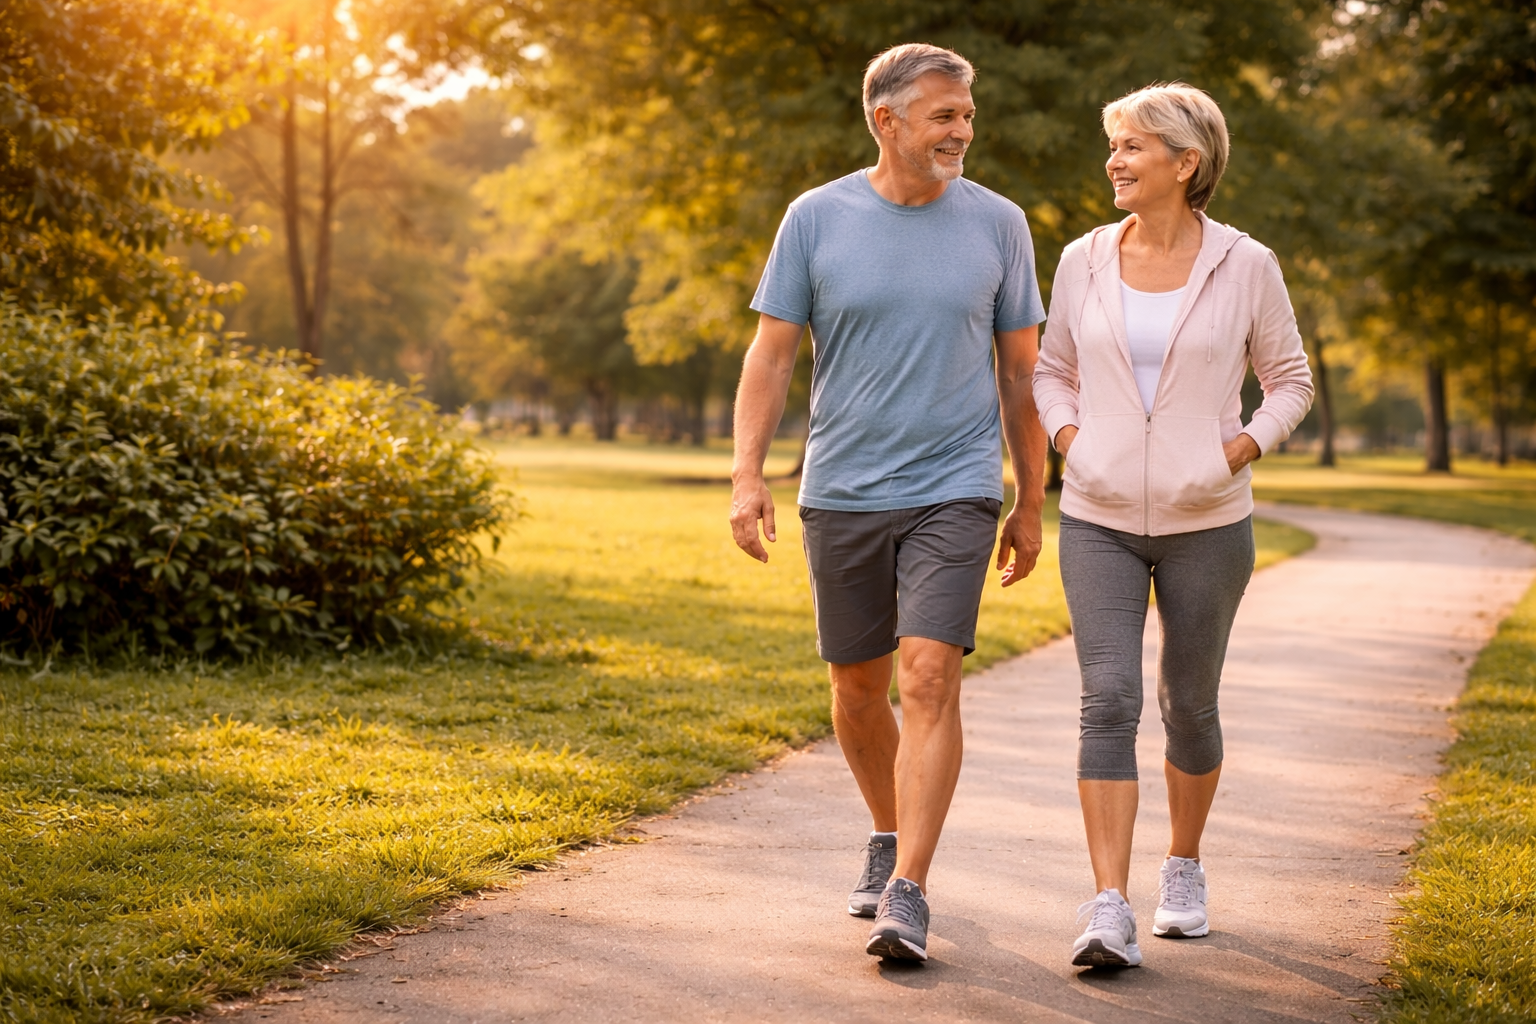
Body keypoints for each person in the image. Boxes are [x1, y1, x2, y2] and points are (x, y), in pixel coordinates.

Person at [729, 42, 1048, 962]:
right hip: (842, 488)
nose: (962, 131)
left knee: (929, 676)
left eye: (967, 115)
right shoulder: (816, 218)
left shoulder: (1000, 224)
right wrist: (748, 475)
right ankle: (884, 830)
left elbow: (1021, 372)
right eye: (944, 115)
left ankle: (909, 884)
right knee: (858, 690)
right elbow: (773, 354)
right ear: (888, 120)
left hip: (954, 486)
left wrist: (1029, 500)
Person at [1032, 82, 1314, 968]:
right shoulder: (1081, 257)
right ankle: (1109, 903)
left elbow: (1291, 380)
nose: (1113, 161)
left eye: (1131, 147)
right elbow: (1051, 372)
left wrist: (1235, 452)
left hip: (1209, 521)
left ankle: (1182, 866)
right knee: (1107, 699)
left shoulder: (1247, 263)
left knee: (1188, 705)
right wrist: (1075, 443)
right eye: (1112, 145)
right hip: (1099, 517)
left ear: (1184, 163)